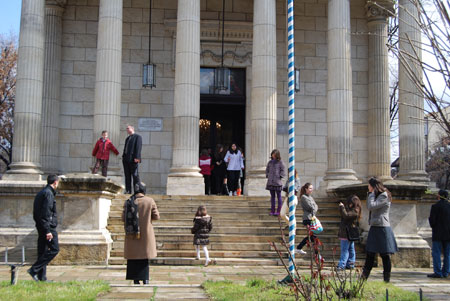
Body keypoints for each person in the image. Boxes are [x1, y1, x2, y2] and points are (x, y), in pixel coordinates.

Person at [362, 177, 398, 283]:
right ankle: (363, 279)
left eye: (369, 185)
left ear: (373, 186)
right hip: (375, 227)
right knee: (370, 254)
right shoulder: (378, 195)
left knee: (385, 255)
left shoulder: (383, 195)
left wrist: (371, 193)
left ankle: (386, 280)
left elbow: (371, 206)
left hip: (382, 227)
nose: (368, 187)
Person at [123, 182, 160, 285]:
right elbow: (156, 216)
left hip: (132, 235)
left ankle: (135, 279)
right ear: (144, 190)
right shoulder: (149, 201)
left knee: (133, 258)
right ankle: (145, 279)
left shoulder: (128, 201)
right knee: (144, 258)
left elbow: (123, 218)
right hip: (146, 234)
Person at [27, 175, 60, 282]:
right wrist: (48, 230)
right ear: (55, 182)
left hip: (41, 226)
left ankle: (42, 277)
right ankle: (34, 269)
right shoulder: (48, 194)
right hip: (48, 227)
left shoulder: (42, 192)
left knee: (42, 251)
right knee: (54, 249)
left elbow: (37, 213)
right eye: (58, 183)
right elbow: (46, 213)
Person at [427, 189, 450, 278]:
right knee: (447, 254)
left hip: (438, 233)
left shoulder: (435, 207)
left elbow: (432, 221)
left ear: (439, 196)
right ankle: (446, 272)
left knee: (436, 253)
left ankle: (438, 272)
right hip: (448, 234)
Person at [337, 195, 362, 271]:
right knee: (351, 249)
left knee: (345, 250)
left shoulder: (355, 211)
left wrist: (342, 207)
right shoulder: (352, 210)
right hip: (347, 233)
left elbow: (346, 216)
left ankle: (342, 265)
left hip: (347, 233)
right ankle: (350, 264)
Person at [296, 183, 318, 255]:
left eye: (312, 188)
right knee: (312, 235)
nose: (312, 190)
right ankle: (315, 253)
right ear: (306, 189)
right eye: (310, 188)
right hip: (307, 218)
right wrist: (314, 207)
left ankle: (300, 247)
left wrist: (314, 208)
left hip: (312, 217)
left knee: (313, 236)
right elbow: (310, 207)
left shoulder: (310, 197)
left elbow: (316, 207)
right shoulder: (303, 197)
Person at [265, 149, 286, 216]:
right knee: (272, 197)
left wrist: (280, 176)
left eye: (274, 154)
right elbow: (267, 169)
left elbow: (283, 170)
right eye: (272, 154)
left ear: (277, 155)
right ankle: (272, 210)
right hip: (271, 182)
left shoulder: (280, 162)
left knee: (279, 196)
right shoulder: (270, 162)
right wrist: (268, 175)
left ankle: (279, 210)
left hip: (277, 182)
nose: (273, 155)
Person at [122, 125, 142, 194]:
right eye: (126, 128)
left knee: (135, 175)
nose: (127, 129)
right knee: (127, 176)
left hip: (134, 160)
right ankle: (128, 190)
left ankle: (137, 190)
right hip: (126, 160)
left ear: (132, 129)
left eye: (128, 128)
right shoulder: (127, 138)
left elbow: (138, 148)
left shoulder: (137, 137)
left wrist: (137, 158)